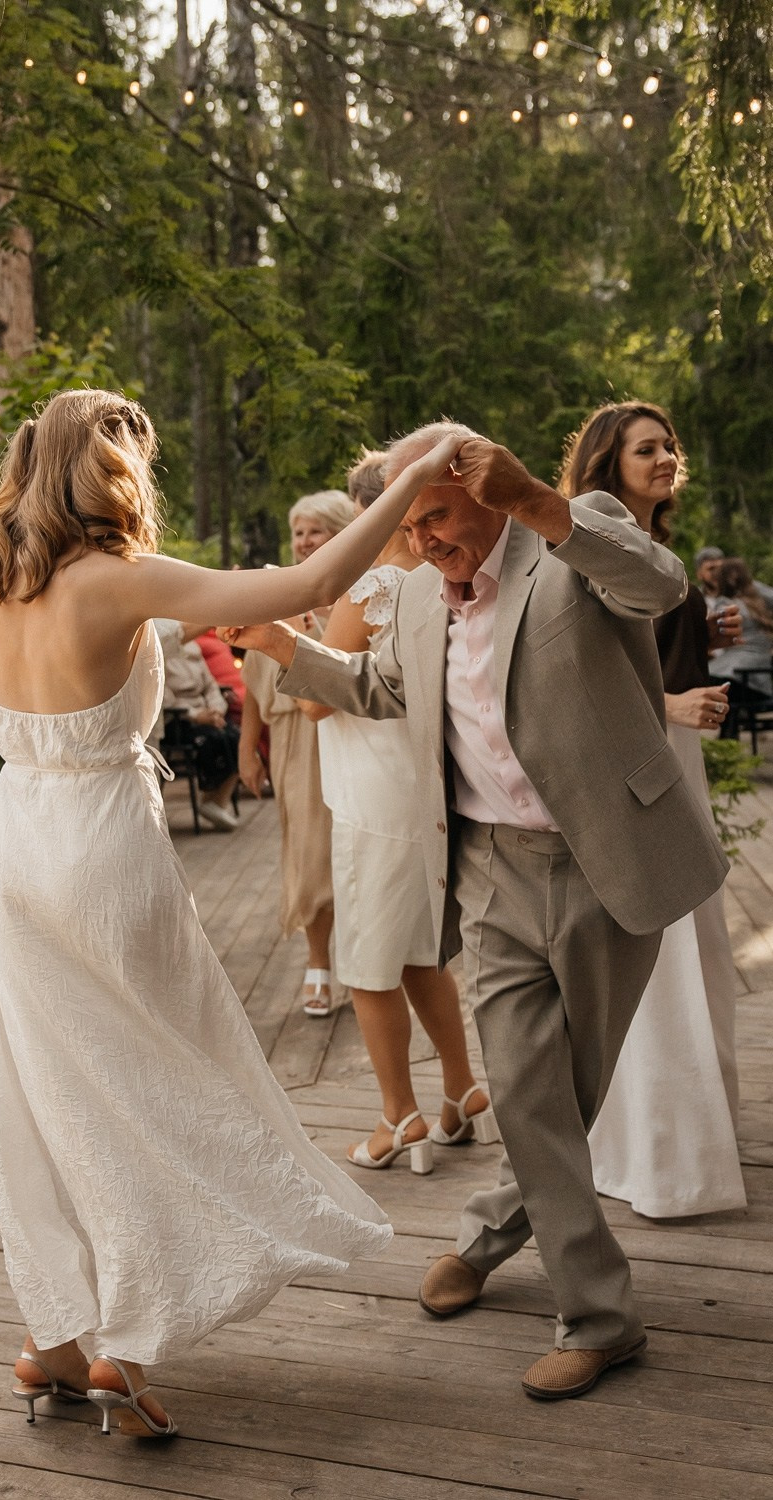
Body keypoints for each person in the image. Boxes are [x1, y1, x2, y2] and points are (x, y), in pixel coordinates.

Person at [0, 390, 462, 1436]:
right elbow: (318, 579)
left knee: (44, 1090)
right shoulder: (119, 580)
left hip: (14, 843)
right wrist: (414, 481)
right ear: (114, 470)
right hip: (101, 843)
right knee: (150, 1083)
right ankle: (126, 1343)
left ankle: (53, 1338)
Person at [226, 419, 728, 1401]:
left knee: (560, 1091)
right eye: (407, 527)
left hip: (601, 859)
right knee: (525, 1083)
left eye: (439, 517)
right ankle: (598, 1315)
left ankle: (488, 1232)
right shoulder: (417, 591)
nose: (425, 541)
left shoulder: (568, 535)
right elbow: (379, 687)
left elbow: (659, 586)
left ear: (486, 488)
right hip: (490, 870)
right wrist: (289, 648)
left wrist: (539, 501)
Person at [560, 401, 746, 1219]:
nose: (667, 456)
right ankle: (658, 1155)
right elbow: (572, 673)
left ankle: (700, 1131)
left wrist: (707, 631)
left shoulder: (657, 550)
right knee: (656, 956)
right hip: (635, 767)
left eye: (671, 444)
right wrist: (671, 707)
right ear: (608, 462)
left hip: (684, 766)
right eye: (648, 448)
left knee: (697, 949)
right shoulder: (582, 549)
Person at [300, 450, 495, 1172]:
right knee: (420, 955)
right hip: (423, 791)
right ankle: (461, 1087)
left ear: (365, 513)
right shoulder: (438, 577)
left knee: (367, 967)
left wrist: (301, 636)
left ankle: (398, 1116)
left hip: (370, 797)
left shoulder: (374, 586)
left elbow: (320, 697)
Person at [238, 490, 355, 1017]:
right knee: (308, 850)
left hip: (352, 731)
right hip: (294, 739)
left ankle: (360, 963)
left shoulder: (359, 594)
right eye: (299, 532)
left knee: (353, 850)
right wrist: (248, 748)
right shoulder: (278, 593)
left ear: (340, 534)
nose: (305, 542)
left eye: (316, 531)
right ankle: (318, 963)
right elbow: (252, 682)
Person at [155, 618, 240, 830]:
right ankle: (210, 798)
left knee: (237, 737)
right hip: (180, 719)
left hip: (207, 712)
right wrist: (195, 715)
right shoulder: (159, 651)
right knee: (212, 739)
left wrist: (216, 710)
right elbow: (163, 696)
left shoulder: (194, 649)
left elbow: (211, 685)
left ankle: (216, 800)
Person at [709, 557, 773, 698]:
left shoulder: (725, 603)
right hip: (760, 679)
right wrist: (746, 581)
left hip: (735, 677)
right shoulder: (759, 603)